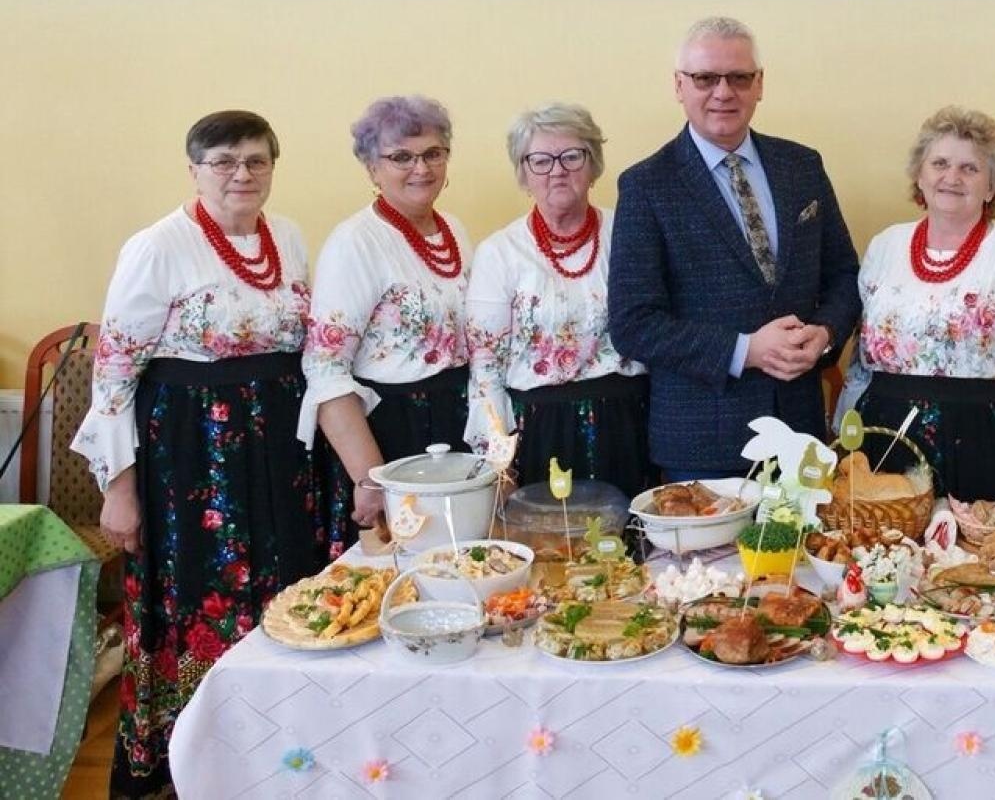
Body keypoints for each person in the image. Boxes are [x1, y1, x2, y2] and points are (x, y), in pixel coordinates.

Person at [72, 111, 331, 797]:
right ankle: (194, 761)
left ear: (273, 166)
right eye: (223, 161)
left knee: (285, 595)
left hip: (278, 453)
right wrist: (119, 487)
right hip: (189, 459)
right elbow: (115, 374)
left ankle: (281, 755)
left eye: (255, 160)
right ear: (194, 169)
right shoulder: (157, 246)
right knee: (199, 605)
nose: (241, 174)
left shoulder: (293, 236)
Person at [609, 16, 861, 481]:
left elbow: (844, 275)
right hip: (702, 441)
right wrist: (746, 350)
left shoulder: (802, 166)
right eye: (705, 78)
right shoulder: (646, 186)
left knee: (804, 554)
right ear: (679, 86)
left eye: (739, 77)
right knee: (706, 560)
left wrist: (824, 335)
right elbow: (632, 322)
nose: (723, 92)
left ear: (759, 84)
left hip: (800, 432)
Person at [835, 106, 995, 500]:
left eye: (970, 169)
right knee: (883, 551)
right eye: (940, 163)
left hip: (981, 438)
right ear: (920, 176)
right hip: (885, 434)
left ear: (992, 186)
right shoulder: (885, 246)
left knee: (977, 557)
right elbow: (863, 353)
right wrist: (846, 424)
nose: (952, 177)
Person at [299, 96, 473, 532]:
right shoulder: (354, 242)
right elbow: (325, 368)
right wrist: (370, 476)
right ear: (372, 168)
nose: (422, 168)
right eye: (401, 157)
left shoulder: (454, 229)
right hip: (390, 435)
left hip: (455, 424)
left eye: (433, 153)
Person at [464, 104, 652, 497]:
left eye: (571, 156)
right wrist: (498, 462)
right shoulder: (500, 252)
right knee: (550, 550)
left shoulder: (630, 230)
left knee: (631, 552)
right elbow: (486, 372)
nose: (557, 170)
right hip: (539, 435)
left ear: (594, 163)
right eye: (541, 160)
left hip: (630, 424)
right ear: (523, 172)